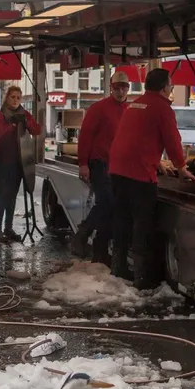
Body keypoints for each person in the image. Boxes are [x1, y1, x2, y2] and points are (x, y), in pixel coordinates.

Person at [109, 68, 195, 288]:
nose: (171, 88)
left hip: (118, 171)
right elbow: (172, 141)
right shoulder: (162, 108)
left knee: (122, 220)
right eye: (171, 85)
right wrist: (181, 167)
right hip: (139, 175)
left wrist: (156, 162)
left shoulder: (134, 105)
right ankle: (143, 277)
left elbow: (134, 138)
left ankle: (118, 267)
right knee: (142, 224)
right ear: (164, 87)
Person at [69, 71, 130, 264]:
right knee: (107, 203)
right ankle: (83, 232)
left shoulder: (129, 110)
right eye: (116, 87)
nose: (120, 91)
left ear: (128, 89)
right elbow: (85, 136)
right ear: (111, 88)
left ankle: (100, 250)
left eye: (124, 87)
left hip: (118, 166)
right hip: (99, 162)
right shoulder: (99, 108)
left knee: (112, 208)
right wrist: (83, 164)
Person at [0, 85, 42, 242]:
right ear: (7, 98)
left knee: (12, 196)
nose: (15, 100)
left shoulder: (24, 113)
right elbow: (0, 136)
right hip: (3, 160)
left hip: (20, 160)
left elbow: (37, 130)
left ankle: (8, 228)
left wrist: (27, 122)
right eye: (12, 97)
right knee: (4, 195)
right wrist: (13, 125)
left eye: (18, 98)